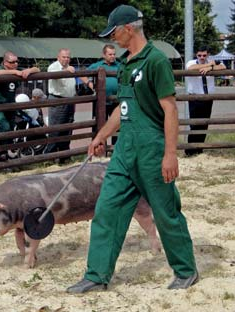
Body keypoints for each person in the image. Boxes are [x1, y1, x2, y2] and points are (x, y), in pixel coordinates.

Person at [67, 5, 198, 294]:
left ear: (128, 28)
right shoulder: (125, 63)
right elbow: (123, 108)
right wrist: (101, 135)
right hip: (124, 152)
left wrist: (170, 154)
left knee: (165, 213)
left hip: (152, 151)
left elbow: (170, 110)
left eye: (113, 32)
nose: (112, 39)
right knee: (107, 210)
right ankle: (97, 275)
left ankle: (186, 270)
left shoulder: (156, 61)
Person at [0, 51, 40, 162]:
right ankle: (0, 153)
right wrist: (16, 72)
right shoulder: (0, 68)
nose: (15, 64)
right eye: (12, 62)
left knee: (10, 128)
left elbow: (37, 69)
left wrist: (28, 70)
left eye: (16, 62)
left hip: (10, 104)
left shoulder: (17, 69)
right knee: (4, 126)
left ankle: (4, 153)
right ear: (5, 62)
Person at [185, 46, 226, 156]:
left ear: (208, 54)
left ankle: (200, 149)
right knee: (194, 124)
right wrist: (210, 65)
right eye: (199, 55)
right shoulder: (191, 62)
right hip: (195, 97)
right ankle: (190, 150)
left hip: (207, 97)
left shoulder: (211, 63)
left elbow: (223, 66)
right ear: (196, 55)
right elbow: (191, 68)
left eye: (204, 55)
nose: (202, 57)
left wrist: (211, 68)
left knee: (204, 124)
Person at [80, 44, 120, 145]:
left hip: (116, 101)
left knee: (117, 125)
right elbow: (82, 74)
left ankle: (115, 149)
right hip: (101, 102)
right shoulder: (97, 65)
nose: (113, 56)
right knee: (99, 126)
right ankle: (99, 149)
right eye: (110, 54)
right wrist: (90, 84)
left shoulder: (119, 65)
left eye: (114, 54)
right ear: (104, 55)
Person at [44, 48, 76, 164]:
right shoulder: (53, 67)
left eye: (68, 57)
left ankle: (64, 156)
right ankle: (49, 157)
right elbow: (55, 76)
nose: (66, 59)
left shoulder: (70, 67)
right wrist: (67, 70)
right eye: (64, 57)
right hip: (57, 100)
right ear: (58, 57)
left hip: (70, 100)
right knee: (56, 129)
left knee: (67, 128)